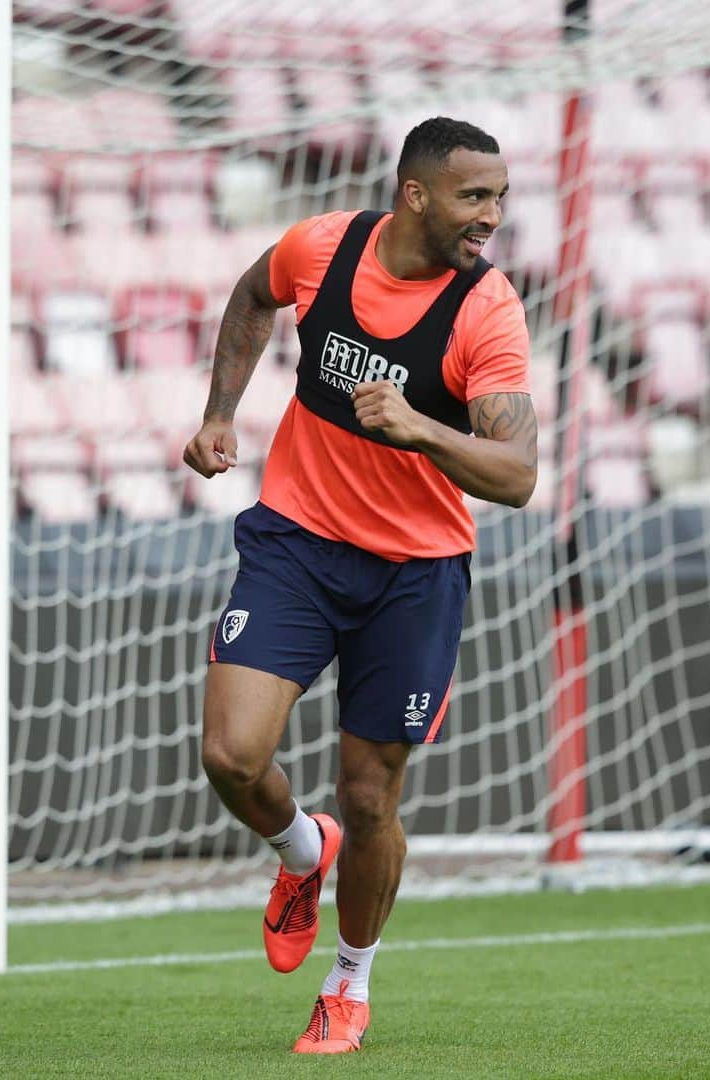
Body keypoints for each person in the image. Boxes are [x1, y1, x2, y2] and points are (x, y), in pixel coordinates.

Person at [183, 116, 536, 1054]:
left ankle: (349, 982)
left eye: (499, 197)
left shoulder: (486, 309)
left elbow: (518, 474)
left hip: (415, 574)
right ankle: (304, 847)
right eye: (474, 196)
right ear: (415, 194)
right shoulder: (324, 247)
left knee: (372, 795)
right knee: (231, 755)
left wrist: (422, 427)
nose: (492, 216)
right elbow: (254, 292)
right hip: (296, 543)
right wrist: (221, 411)